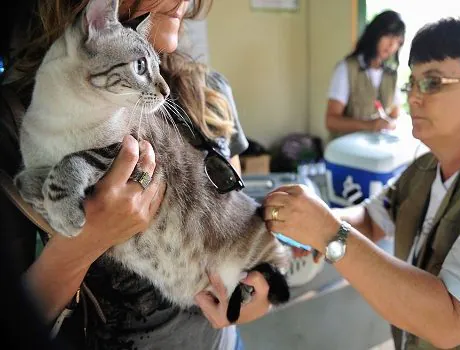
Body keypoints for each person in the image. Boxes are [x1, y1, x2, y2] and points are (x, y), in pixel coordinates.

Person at [0, 0, 271, 349]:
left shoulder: (210, 92)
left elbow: (235, 222)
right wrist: (85, 244)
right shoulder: (17, 123)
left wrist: (255, 291)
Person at [264, 18, 460, 349]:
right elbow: (373, 220)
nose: (413, 98)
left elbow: (450, 320)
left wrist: (329, 233)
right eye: (411, 84)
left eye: (432, 83)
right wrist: (309, 221)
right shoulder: (424, 169)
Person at [326, 10, 405, 140]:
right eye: (389, 36)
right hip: (346, 151)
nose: (392, 45)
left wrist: (389, 123)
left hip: (376, 151)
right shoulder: (347, 68)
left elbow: (395, 114)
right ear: (375, 35)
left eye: (397, 41)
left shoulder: (391, 75)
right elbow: (331, 121)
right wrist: (369, 125)